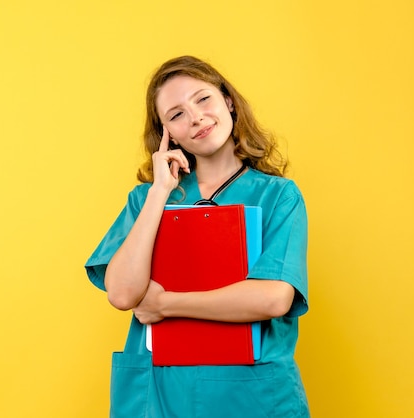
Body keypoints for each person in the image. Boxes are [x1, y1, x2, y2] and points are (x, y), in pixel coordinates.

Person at [85, 55, 309, 417]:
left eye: (203, 99)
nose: (196, 117)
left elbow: (273, 298)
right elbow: (123, 293)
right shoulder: (146, 199)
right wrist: (160, 191)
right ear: (166, 134)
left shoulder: (278, 196)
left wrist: (166, 304)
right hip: (160, 396)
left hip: (252, 398)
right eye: (176, 114)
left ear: (228, 101)